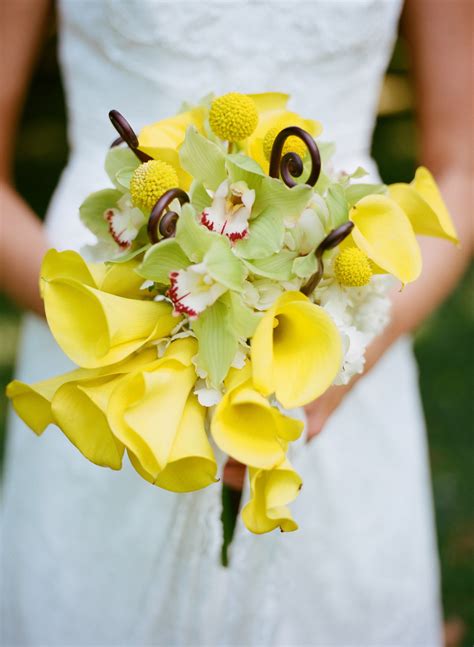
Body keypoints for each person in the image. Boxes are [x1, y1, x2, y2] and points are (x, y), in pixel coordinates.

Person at [1, 1, 472, 645]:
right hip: (96, 316)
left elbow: (463, 167)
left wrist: (338, 357)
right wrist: (124, 325)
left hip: (339, 325)